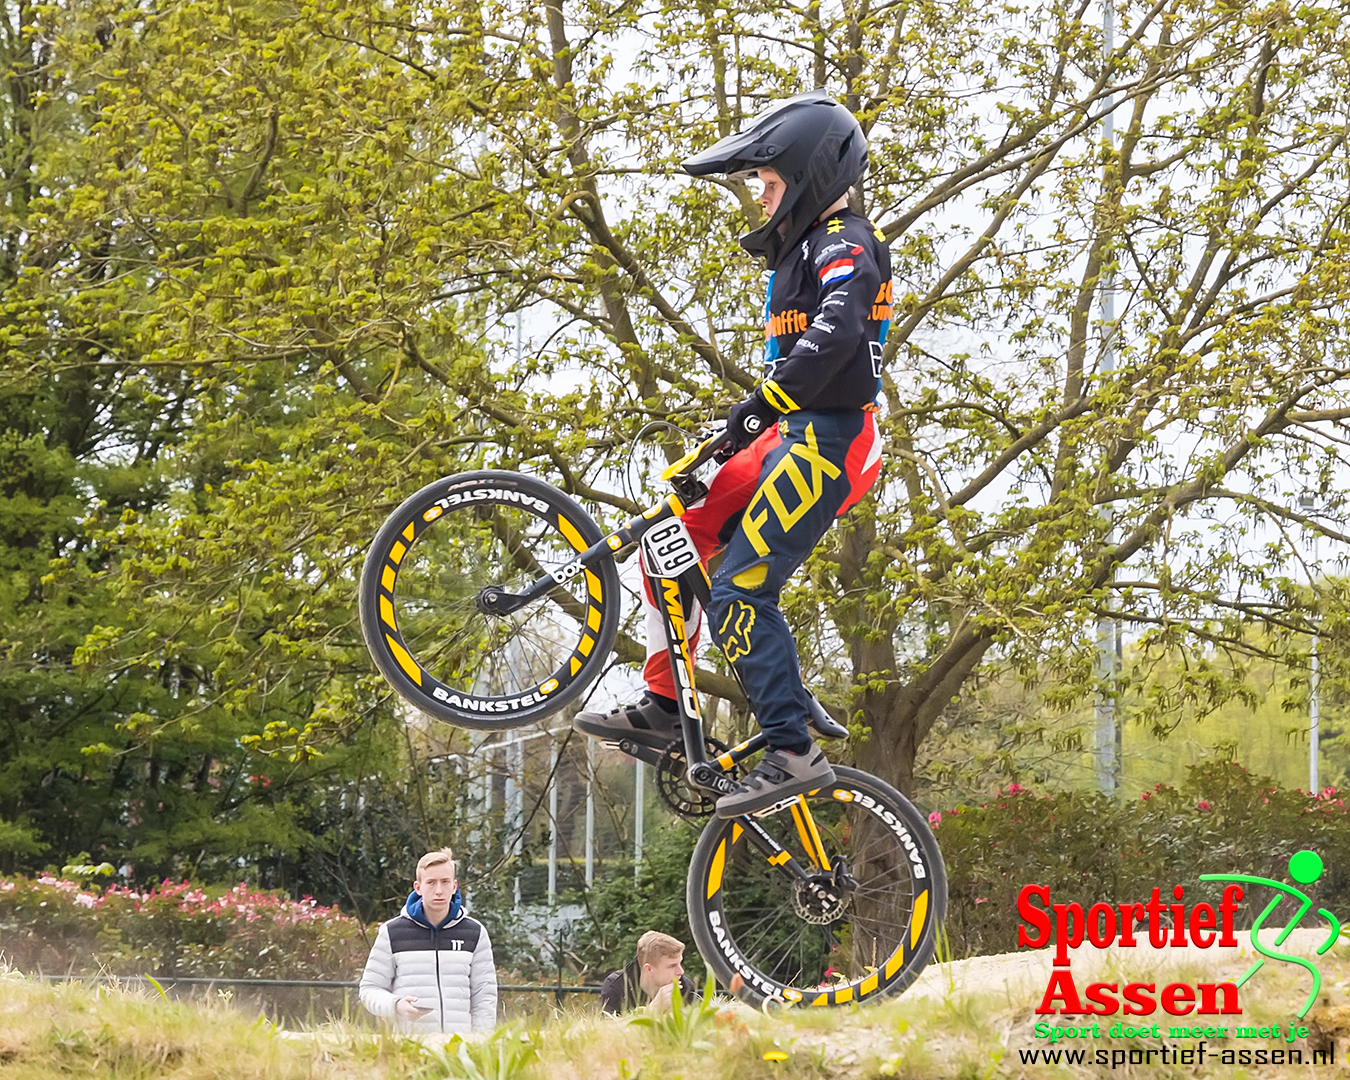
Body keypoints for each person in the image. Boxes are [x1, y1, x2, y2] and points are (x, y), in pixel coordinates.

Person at [574, 90, 888, 817]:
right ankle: (662, 703)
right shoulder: (806, 247)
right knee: (668, 535)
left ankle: (791, 750)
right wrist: (745, 427)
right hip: (789, 431)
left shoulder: (844, 242)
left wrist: (764, 406)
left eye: (770, 184)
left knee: (742, 589)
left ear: (809, 174)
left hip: (832, 442)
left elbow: (839, 335)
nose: (763, 200)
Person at [359, 847, 497, 1035]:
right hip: (409, 1049)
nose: (439, 890)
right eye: (431, 882)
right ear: (418, 887)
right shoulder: (392, 932)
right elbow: (369, 990)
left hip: (460, 1051)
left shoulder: (475, 932)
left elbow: (484, 995)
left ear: (454, 886)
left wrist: (481, 1042)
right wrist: (396, 1005)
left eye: (445, 882)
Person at [599, 930, 698, 1014]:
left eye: (680, 963)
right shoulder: (616, 986)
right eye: (672, 966)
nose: (681, 971)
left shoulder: (685, 987)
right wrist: (653, 1010)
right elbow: (607, 1032)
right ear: (649, 969)